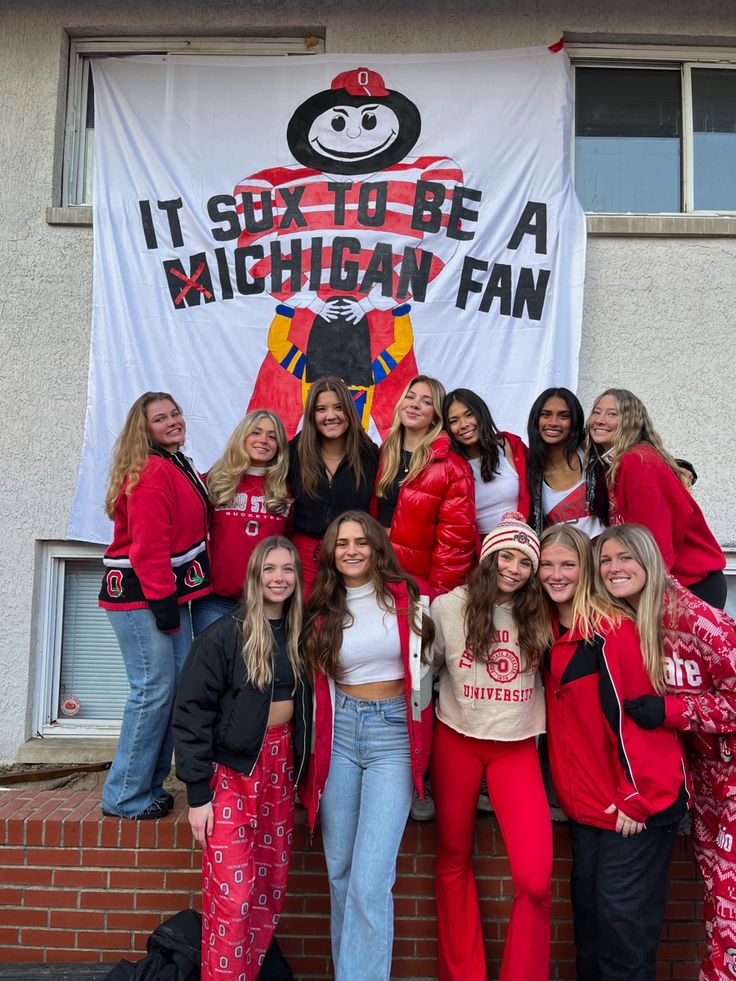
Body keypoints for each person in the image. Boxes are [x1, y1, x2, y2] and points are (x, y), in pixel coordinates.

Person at [539, 523, 689, 981]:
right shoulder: (547, 633)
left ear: (586, 572)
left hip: (634, 810)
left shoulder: (613, 631)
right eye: (547, 565)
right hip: (587, 810)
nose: (556, 574)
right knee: (591, 928)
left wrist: (636, 796)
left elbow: (643, 723)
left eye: (569, 564)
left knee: (623, 932)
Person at [594, 523, 736, 981]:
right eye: (606, 560)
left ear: (649, 561)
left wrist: (672, 710)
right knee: (720, 911)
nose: (614, 568)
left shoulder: (697, 619)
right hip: (705, 790)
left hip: (731, 789)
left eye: (625, 558)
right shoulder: (637, 622)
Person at [299, 511, 435, 981]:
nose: (351, 550)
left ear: (378, 548)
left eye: (361, 541)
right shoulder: (320, 609)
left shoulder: (409, 599)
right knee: (340, 871)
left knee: (371, 879)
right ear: (331, 554)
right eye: (341, 543)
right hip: (339, 736)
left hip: (392, 737)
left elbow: (431, 673)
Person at [173, 537, 311, 981]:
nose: (278, 578)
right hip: (230, 775)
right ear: (255, 576)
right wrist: (197, 795)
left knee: (269, 890)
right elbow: (191, 712)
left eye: (287, 569)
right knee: (233, 897)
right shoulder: (224, 635)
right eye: (269, 569)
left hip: (278, 770)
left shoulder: (301, 633)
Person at [430, 512, 552, 981]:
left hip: (516, 745)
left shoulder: (541, 611)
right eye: (506, 555)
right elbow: (426, 670)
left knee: (535, 879)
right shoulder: (447, 608)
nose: (514, 568)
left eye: (525, 561)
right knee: (453, 859)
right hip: (456, 741)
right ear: (488, 557)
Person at [98, 392, 210, 820]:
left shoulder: (175, 463)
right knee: (152, 690)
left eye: (176, 413)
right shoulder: (148, 472)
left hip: (166, 597)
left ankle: (148, 785)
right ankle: (125, 795)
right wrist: (163, 603)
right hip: (142, 597)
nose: (172, 421)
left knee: (173, 690)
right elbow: (148, 549)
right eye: (161, 418)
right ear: (145, 429)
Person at [587, 388, 726, 608]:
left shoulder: (636, 462)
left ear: (631, 421)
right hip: (668, 584)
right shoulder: (618, 463)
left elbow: (653, 540)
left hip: (687, 586)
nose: (600, 420)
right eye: (596, 412)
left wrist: (642, 600)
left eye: (612, 414)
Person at [375, 374, 476, 599]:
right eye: (410, 397)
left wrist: (436, 596)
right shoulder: (384, 454)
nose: (415, 404)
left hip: (417, 584)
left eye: (426, 401)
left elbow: (455, 544)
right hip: (377, 572)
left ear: (435, 417)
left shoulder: (452, 468)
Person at [191, 410, 291, 635]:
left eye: (272, 436)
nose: (263, 440)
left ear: (280, 446)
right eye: (256, 433)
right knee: (212, 667)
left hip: (265, 601)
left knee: (258, 669)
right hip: (214, 600)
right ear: (242, 437)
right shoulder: (216, 480)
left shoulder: (286, 489)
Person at [288, 376, 379, 594]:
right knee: (304, 625)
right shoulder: (293, 452)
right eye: (321, 409)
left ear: (349, 410)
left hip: (353, 559)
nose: (331, 416)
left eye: (338, 407)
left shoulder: (370, 455)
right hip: (304, 558)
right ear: (312, 415)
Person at [443, 387, 530, 534]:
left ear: (481, 413)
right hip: (476, 551)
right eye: (454, 421)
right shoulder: (447, 467)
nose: (464, 424)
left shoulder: (511, 446)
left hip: (521, 543)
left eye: (469, 414)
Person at [526, 386, 607, 538]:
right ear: (536, 419)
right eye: (546, 415)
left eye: (563, 416)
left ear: (574, 421)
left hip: (603, 558)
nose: (553, 422)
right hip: (564, 560)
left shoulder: (594, 454)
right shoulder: (529, 471)